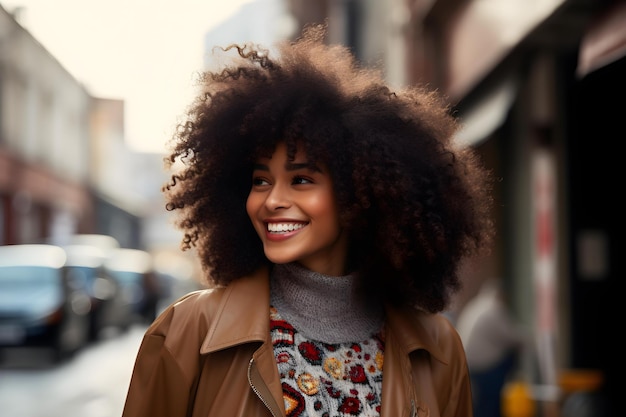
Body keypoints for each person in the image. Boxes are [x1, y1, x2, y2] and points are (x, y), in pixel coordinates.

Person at [122, 24, 494, 417]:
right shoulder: (188, 332)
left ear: (361, 193)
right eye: (260, 180)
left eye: (301, 180)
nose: (272, 200)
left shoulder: (438, 349)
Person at [455, 278, 529, 417]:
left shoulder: (475, 306)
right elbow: (510, 336)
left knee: (482, 402)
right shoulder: (493, 309)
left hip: (470, 364)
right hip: (485, 366)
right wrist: (530, 338)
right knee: (490, 402)